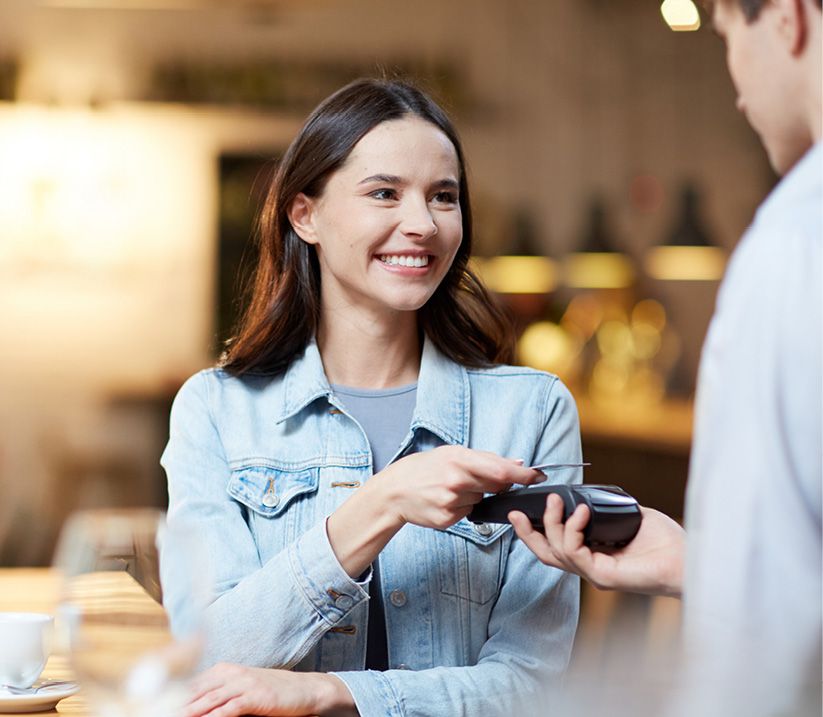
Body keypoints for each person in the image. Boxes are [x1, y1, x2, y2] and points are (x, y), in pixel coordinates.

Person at [161, 78, 583, 717]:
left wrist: (332, 693)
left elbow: (533, 686)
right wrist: (379, 504)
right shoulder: (215, 410)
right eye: (384, 193)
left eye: (443, 197)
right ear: (305, 215)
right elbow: (201, 659)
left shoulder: (532, 412)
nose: (421, 224)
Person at [511, 0, 822, 714]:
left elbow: (765, 646)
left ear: (787, 19)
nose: (734, 80)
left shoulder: (792, 249)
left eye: (725, 38)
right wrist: (698, 563)